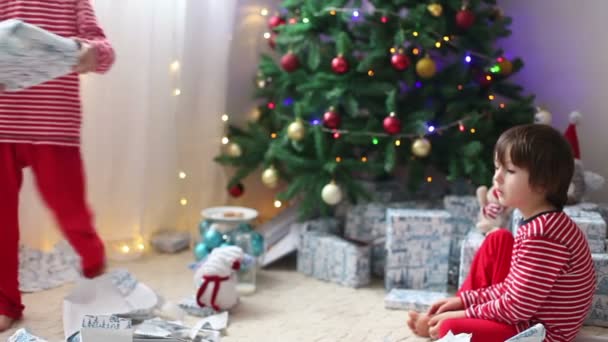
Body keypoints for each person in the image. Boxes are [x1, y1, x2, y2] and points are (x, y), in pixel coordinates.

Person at [407, 124, 596, 342]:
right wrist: (464, 301)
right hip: (526, 313)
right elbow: (512, 287)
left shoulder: (544, 235)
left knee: (451, 327)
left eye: (510, 170)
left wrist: (463, 314)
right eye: (497, 168)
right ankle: (443, 317)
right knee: (498, 238)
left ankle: (439, 324)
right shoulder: (538, 222)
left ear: (543, 183)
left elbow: (517, 307)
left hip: (538, 332)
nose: (497, 178)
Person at [0, 0, 115, 331]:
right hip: (2, 123)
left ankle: (95, 269)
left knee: (71, 212)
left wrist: (92, 53)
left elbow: (105, 49)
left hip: (53, 128)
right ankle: (5, 299)